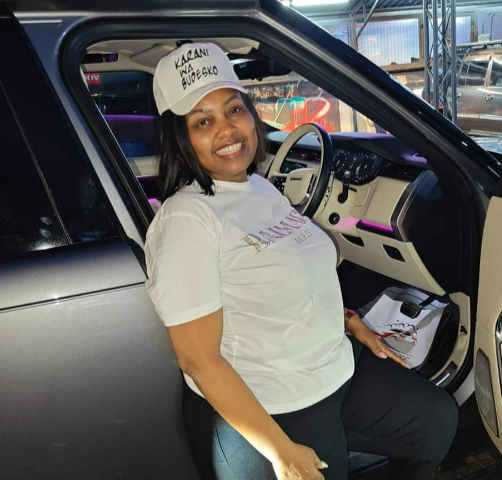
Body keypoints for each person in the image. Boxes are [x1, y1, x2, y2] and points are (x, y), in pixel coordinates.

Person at [144, 42, 458, 480]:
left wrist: (347, 321)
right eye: (203, 121)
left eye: (233, 110)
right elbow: (198, 360)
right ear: (180, 137)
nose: (227, 130)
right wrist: (280, 451)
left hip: (335, 368)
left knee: (435, 423)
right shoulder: (186, 218)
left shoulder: (258, 187)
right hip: (275, 406)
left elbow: (292, 271)